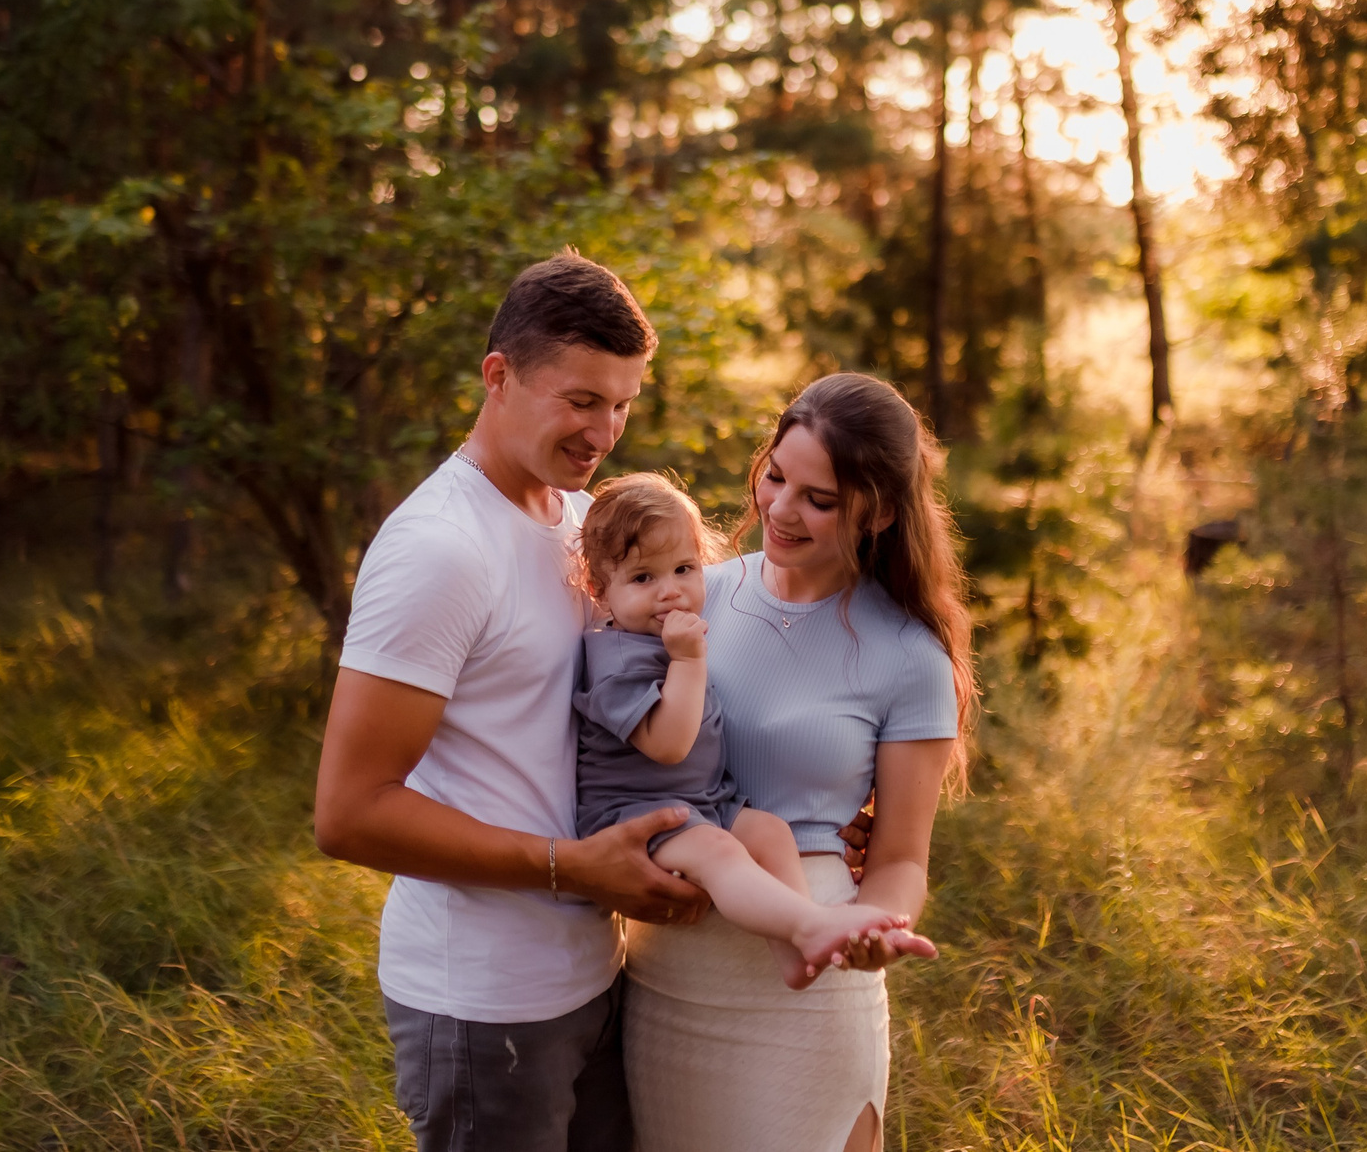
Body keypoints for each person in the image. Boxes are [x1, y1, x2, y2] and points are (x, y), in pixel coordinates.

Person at [313, 252, 708, 1152]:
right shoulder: (440, 548)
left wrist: (816, 816)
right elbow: (348, 812)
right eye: (582, 400)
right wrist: (575, 868)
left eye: (623, 404)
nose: (604, 431)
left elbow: (652, 700)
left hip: (595, 975)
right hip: (482, 1005)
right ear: (499, 376)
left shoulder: (583, 524)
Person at [621, 373, 978, 1152]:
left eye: (819, 498)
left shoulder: (909, 654)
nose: (781, 509)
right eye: (776, 476)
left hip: (814, 974)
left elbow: (901, 859)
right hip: (671, 968)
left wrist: (876, 923)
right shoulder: (691, 597)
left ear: (879, 511)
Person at [570, 473, 937, 990]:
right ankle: (809, 925)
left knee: (770, 832)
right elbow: (669, 744)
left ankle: (794, 952)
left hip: (702, 802)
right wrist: (689, 660)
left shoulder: (664, 635)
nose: (670, 591)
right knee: (719, 853)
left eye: (683, 569)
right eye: (643, 578)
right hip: (637, 814)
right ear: (599, 590)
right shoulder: (616, 659)